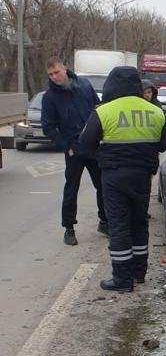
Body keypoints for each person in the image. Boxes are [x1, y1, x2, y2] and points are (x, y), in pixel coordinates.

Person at [80, 66, 166, 292]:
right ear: (138, 86)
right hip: (142, 176)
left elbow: (86, 144)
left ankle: (122, 280)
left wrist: (104, 154)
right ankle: (139, 273)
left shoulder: (104, 111)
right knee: (139, 223)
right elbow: (163, 144)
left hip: (113, 176)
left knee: (119, 225)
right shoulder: (155, 112)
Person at [41, 58, 107, 246]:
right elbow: (48, 127)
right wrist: (66, 146)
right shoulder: (50, 97)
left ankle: (105, 221)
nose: (55, 77)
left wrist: (102, 136)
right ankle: (69, 228)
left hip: (94, 145)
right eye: (51, 74)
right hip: (73, 149)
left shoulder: (84, 85)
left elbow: (99, 110)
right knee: (71, 189)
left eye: (57, 72)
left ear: (65, 69)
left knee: (102, 186)